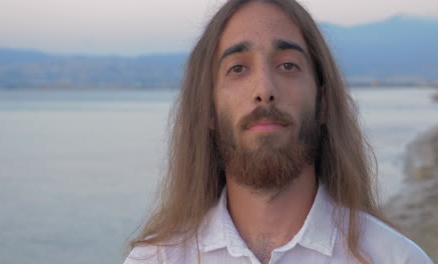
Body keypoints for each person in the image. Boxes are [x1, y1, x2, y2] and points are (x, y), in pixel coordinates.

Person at [124, 0, 433, 263]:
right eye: (238, 68)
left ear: (323, 102)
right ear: (209, 111)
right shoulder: (156, 259)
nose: (265, 90)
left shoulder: (394, 258)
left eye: (288, 65)